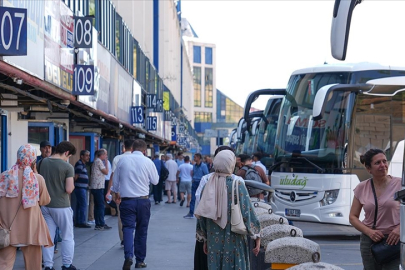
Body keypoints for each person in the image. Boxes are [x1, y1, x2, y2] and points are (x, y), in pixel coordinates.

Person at [195, 150, 261, 270]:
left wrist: (204, 239)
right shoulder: (238, 185)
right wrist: (256, 235)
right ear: (231, 163)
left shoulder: (207, 186)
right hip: (235, 241)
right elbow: (248, 213)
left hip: (213, 242)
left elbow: (202, 216)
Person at [0, 144, 53, 270]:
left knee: (4, 264)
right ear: (33, 160)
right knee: (34, 266)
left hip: (7, 229)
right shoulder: (37, 179)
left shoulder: (4, 177)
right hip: (31, 230)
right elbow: (45, 201)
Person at [349, 148, 400, 270]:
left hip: (394, 240)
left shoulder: (400, 184)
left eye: (384, 161)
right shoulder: (362, 187)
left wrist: (400, 229)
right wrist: (369, 232)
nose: (383, 165)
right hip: (370, 241)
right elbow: (352, 217)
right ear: (368, 169)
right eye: (378, 163)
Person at [194, 146, 243, 270]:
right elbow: (246, 211)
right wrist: (256, 234)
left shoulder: (206, 180)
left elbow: (199, 208)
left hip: (209, 233)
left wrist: (202, 233)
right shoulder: (238, 181)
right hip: (233, 235)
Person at [113, 139, 159, 269]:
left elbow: (116, 182)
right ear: (144, 151)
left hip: (127, 201)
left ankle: (128, 256)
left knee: (127, 228)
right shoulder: (148, 162)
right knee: (142, 231)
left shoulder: (122, 160)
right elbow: (155, 181)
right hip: (143, 200)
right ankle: (140, 260)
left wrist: (116, 193)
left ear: (132, 148)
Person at [39, 141, 78, 270]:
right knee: (67, 236)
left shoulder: (42, 162)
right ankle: (67, 264)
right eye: (69, 156)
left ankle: (48, 265)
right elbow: (69, 189)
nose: (68, 158)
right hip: (61, 205)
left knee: (48, 237)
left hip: (45, 205)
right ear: (66, 153)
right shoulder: (68, 167)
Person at [106, 139, 134, 247]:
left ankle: (123, 238)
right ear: (133, 148)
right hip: (134, 192)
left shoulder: (117, 158)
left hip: (120, 192)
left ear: (123, 147)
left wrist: (109, 191)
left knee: (121, 216)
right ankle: (131, 237)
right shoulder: (138, 159)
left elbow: (113, 176)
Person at [89, 149, 111, 230]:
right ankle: (101, 223)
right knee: (101, 205)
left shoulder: (95, 161)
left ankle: (98, 223)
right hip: (98, 187)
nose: (106, 156)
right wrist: (106, 163)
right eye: (105, 155)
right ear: (102, 155)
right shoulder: (99, 161)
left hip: (95, 186)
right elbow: (106, 172)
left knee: (97, 205)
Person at [184, 153, 209, 219]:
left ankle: (202, 213)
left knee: (201, 198)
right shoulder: (194, 166)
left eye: (195, 157)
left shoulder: (203, 166)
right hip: (195, 182)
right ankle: (191, 213)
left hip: (201, 183)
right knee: (193, 199)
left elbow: (207, 175)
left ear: (198, 158)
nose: (194, 158)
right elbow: (193, 173)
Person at [74, 150, 91, 228]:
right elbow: (76, 176)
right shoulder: (79, 164)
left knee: (79, 204)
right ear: (82, 156)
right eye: (86, 155)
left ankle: (78, 221)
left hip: (82, 187)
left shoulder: (83, 164)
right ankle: (82, 221)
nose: (88, 157)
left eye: (88, 155)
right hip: (80, 187)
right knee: (83, 204)